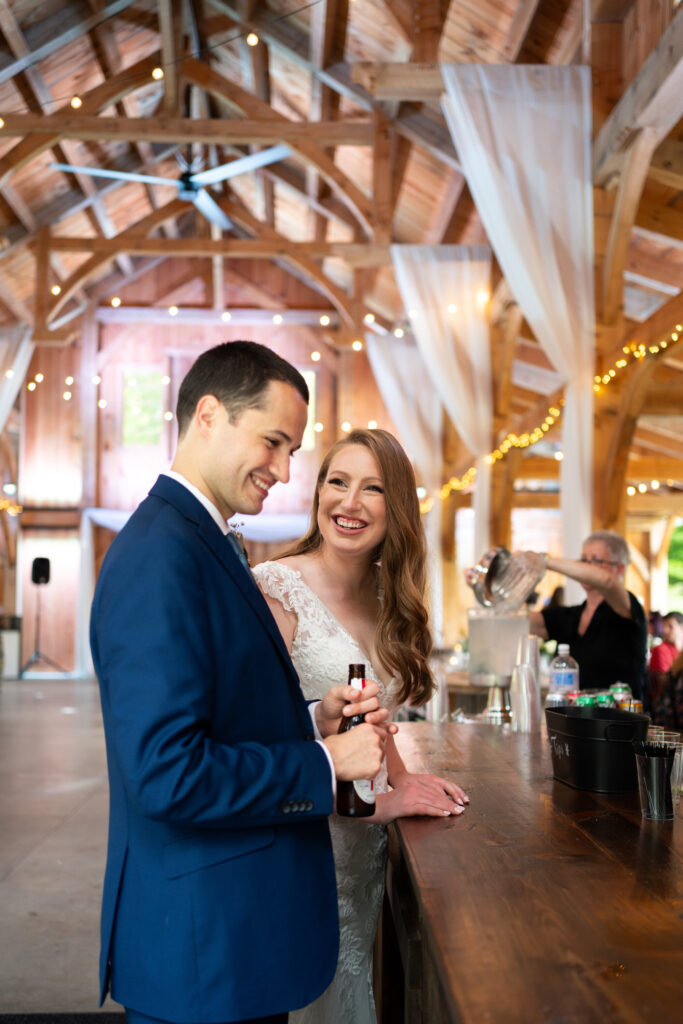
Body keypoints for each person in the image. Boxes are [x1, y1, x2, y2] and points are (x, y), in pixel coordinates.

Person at [90, 342, 395, 1024]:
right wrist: (324, 762)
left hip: (233, 940)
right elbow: (166, 772)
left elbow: (218, 707)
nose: (286, 471)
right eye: (273, 441)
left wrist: (311, 717)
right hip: (202, 951)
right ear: (208, 415)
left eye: (292, 450)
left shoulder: (204, 539)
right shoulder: (160, 555)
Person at [253, 428, 469, 1024]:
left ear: (395, 507)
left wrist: (404, 782)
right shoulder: (275, 589)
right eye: (337, 482)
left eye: (372, 489)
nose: (349, 503)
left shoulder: (388, 595)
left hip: (363, 851)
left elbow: (377, 717)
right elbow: (259, 737)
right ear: (318, 491)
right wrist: (378, 803)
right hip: (302, 838)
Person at [524, 530, 647, 699]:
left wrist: (543, 561)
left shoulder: (627, 607)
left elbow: (607, 582)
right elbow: (520, 621)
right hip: (576, 721)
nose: (586, 567)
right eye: (583, 560)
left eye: (596, 560)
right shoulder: (571, 615)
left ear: (619, 569)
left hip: (621, 720)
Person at [648, 612, 683, 721]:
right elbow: (665, 683)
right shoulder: (660, 650)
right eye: (664, 626)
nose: (665, 630)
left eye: (670, 626)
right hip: (666, 710)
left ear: (681, 627)